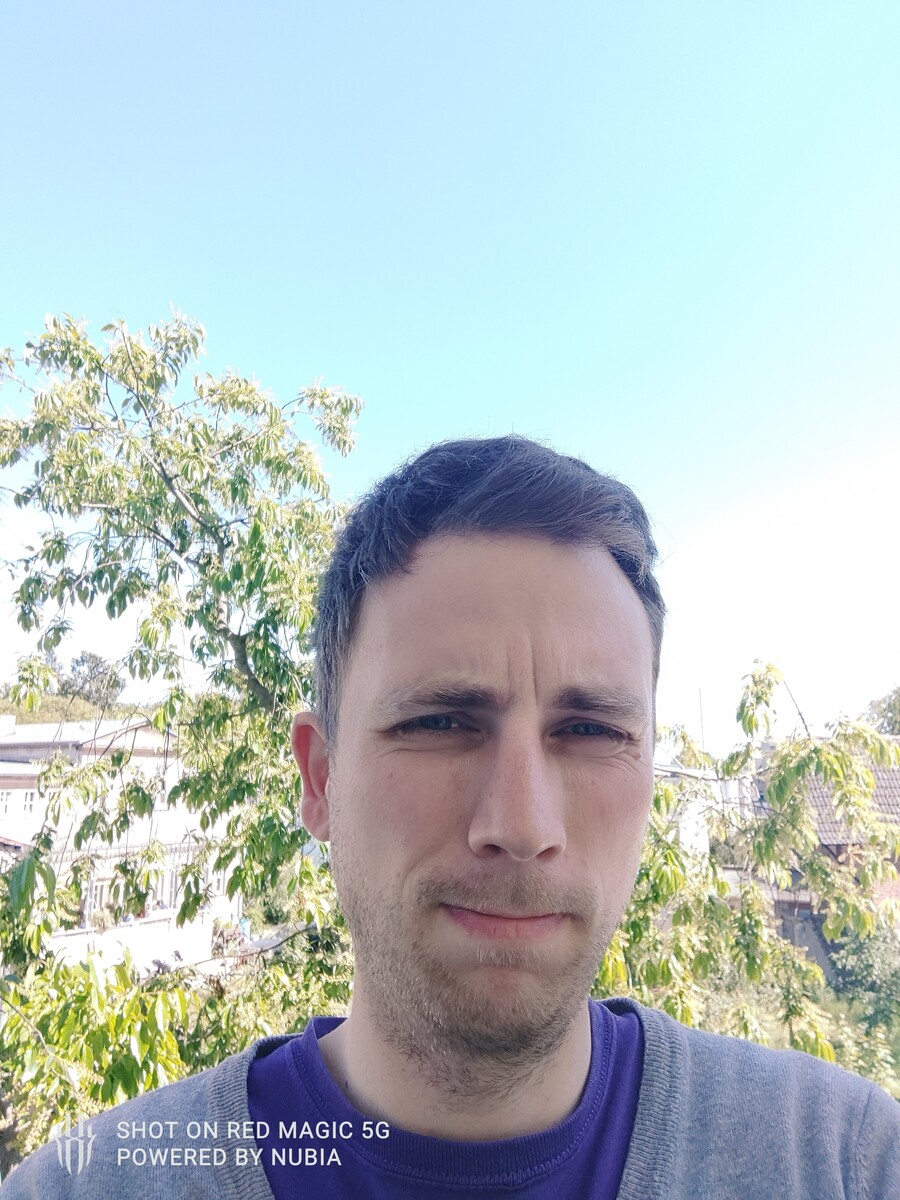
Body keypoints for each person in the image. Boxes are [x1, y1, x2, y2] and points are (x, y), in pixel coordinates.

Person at [4, 436, 898, 1199]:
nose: (522, 824)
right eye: (439, 723)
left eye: (591, 731)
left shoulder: (843, 1161)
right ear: (320, 778)